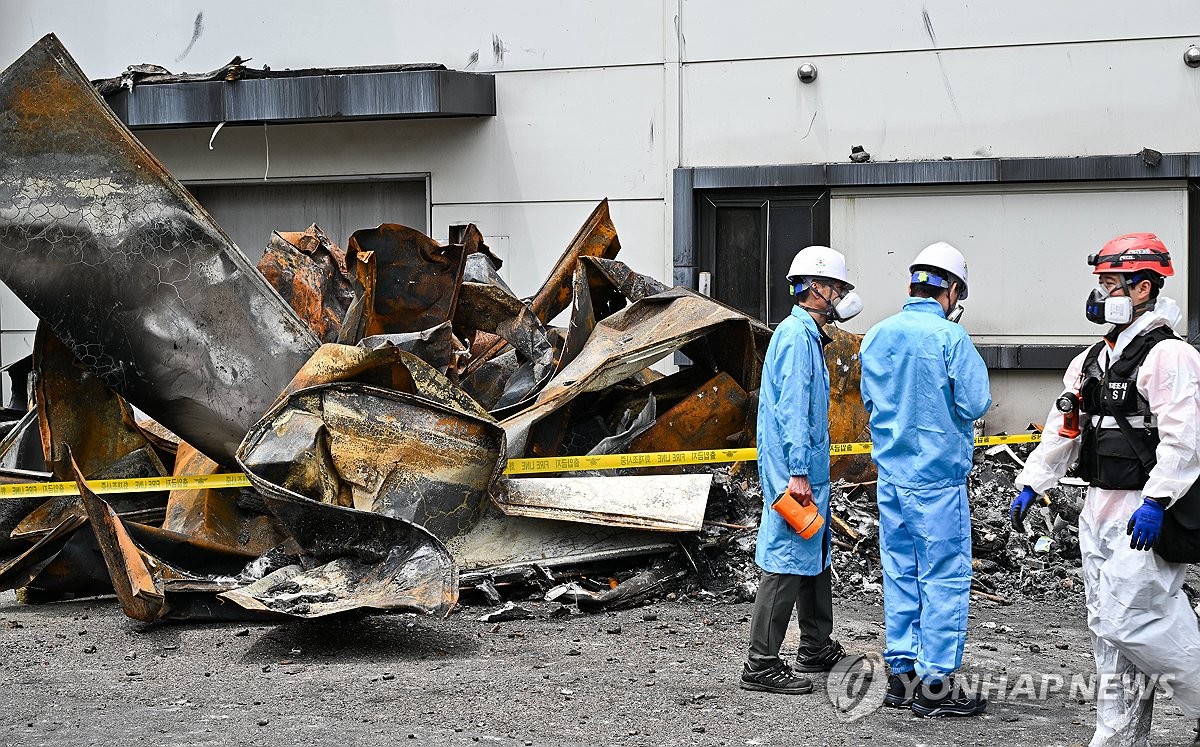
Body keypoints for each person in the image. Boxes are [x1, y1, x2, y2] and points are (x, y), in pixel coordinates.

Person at [1011, 233, 1200, 747]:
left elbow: (1185, 439)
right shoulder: (1090, 361)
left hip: (1144, 510)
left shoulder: (1170, 357)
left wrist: (1159, 499)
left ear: (1143, 288)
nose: (1100, 293)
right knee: (1106, 629)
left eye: (1110, 283)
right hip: (1099, 505)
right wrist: (1033, 481)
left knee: (1136, 618)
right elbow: (1064, 429)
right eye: (1100, 282)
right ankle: (1116, 736)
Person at [858, 241, 992, 717]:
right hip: (936, 481)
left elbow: (871, 404)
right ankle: (936, 686)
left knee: (900, 572)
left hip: (891, 478)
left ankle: (902, 676)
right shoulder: (951, 340)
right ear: (951, 291)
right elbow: (975, 404)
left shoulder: (876, 335)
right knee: (943, 577)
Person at [740, 245, 862, 694]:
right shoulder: (795, 338)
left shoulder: (808, 335)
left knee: (814, 551)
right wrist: (796, 471)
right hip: (796, 469)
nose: (843, 296)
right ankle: (761, 663)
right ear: (815, 289)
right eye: (838, 287)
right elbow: (792, 409)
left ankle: (814, 645)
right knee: (788, 558)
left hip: (806, 467)